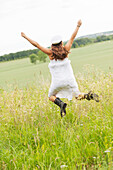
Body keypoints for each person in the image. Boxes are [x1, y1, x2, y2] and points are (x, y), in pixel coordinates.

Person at [21, 19, 99, 117]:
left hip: (57, 82)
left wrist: (25, 37)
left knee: (51, 96)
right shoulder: (66, 51)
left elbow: (37, 45)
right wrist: (78, 26)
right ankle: (89, 96)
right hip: (70, 80)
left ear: (52, 45)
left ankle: (61, 104)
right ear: (61, 43)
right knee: (77, 96)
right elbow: (72, 38)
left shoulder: (50, 54)